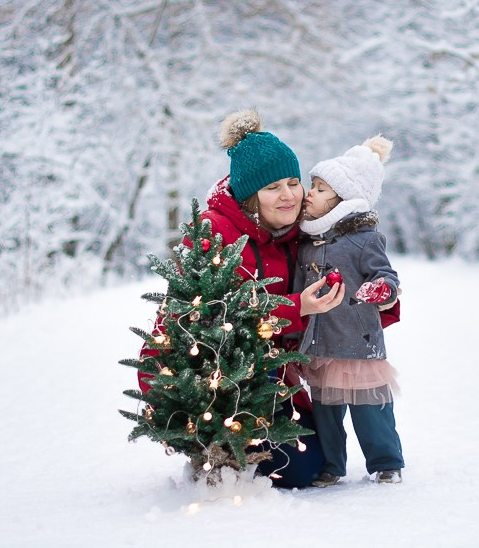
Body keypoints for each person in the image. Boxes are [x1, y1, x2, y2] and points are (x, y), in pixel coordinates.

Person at [138, 109, 345, 488]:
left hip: (278, 373)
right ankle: (218, 450)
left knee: (318, 460)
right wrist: (295, 307)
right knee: (292, 470)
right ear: (250, 198)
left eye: (293, 182)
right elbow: (216, 315)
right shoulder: (216, 236)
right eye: (272, 188)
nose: (288, 195)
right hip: (220, 381)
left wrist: (381, 297)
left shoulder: (302, 231)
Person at [293, 135, 405, 486]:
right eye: (312, 185)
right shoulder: (307, 242)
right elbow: (297, 290)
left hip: (358, 340)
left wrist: (382, 289)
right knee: (325, 411)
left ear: (345, 200)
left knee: (371, 409)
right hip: (320, 344)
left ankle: (386, 461)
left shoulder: (364, 239)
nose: (310, 193)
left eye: (321, 189)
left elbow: (384, 274)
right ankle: (330, 464)